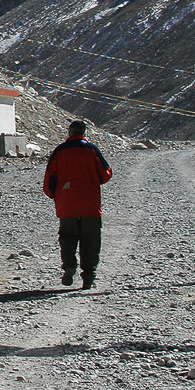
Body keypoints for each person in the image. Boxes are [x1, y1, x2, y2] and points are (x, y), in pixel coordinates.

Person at [42, 120, 112, 290]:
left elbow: (49, 180)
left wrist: (56, 196)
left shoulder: (59, 151)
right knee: (91, 240)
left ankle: (69, 267)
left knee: (67, 238)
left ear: (69, 132)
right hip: (90, 203)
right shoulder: (92, 149)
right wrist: (94, 182)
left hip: (67, 205)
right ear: (85, 132)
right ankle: (88, 277)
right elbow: (106, 173)